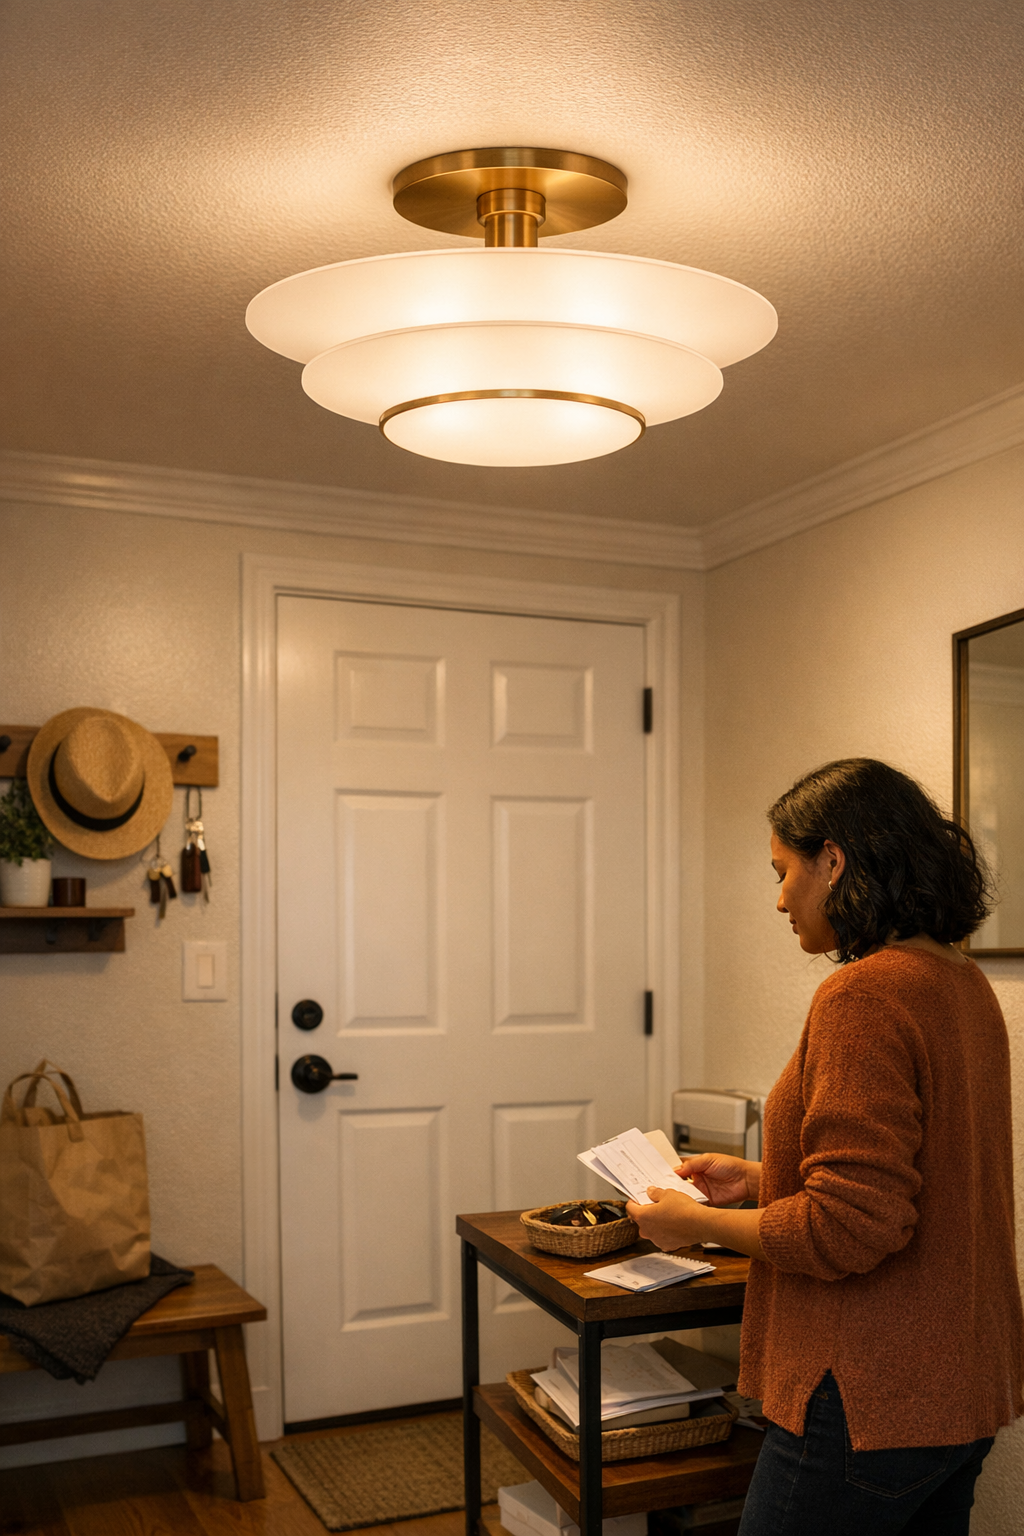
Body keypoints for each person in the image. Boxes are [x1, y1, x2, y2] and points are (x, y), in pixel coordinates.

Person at [626, 759, 1023, 1536]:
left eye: (783, 872)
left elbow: (851, 1227)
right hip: (962, 1382)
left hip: (869, 1396)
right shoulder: (959, 979)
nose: (779, 899)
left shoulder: (864, 994)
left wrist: (694, 1225)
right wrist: (761, 1177)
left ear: (833, 862)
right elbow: (921, 1177)